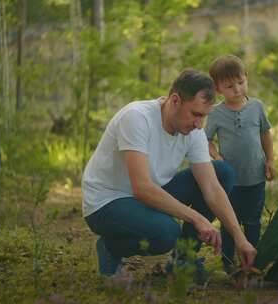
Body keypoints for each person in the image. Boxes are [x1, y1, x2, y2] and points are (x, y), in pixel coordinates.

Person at [82, 69, 257, 277]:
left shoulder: (194, 130)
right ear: (175, 100)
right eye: (196, 114)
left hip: (150, 195)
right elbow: (142, 188)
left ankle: (183, 262)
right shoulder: (136, 117)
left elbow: (211, 187)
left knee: (222, 173)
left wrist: (239, 238)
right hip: (107, 202)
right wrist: (197, 218)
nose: (199, 124)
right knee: (167, 233)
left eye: (204, 117)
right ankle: (110, 247)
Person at [205, 55, 275, 273]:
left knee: (253, 220)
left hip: (255, 175)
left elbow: (265, 133)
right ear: (218, 89)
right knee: (230, 220)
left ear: (246, 78)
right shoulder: (215, 113)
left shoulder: (257, 106)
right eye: (229, 86)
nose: (236, 89)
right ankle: (228, 262)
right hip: (231, 181)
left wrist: (270, 160)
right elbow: (205, 140)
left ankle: (252, 261)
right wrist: (217, 158)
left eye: (241, 82)